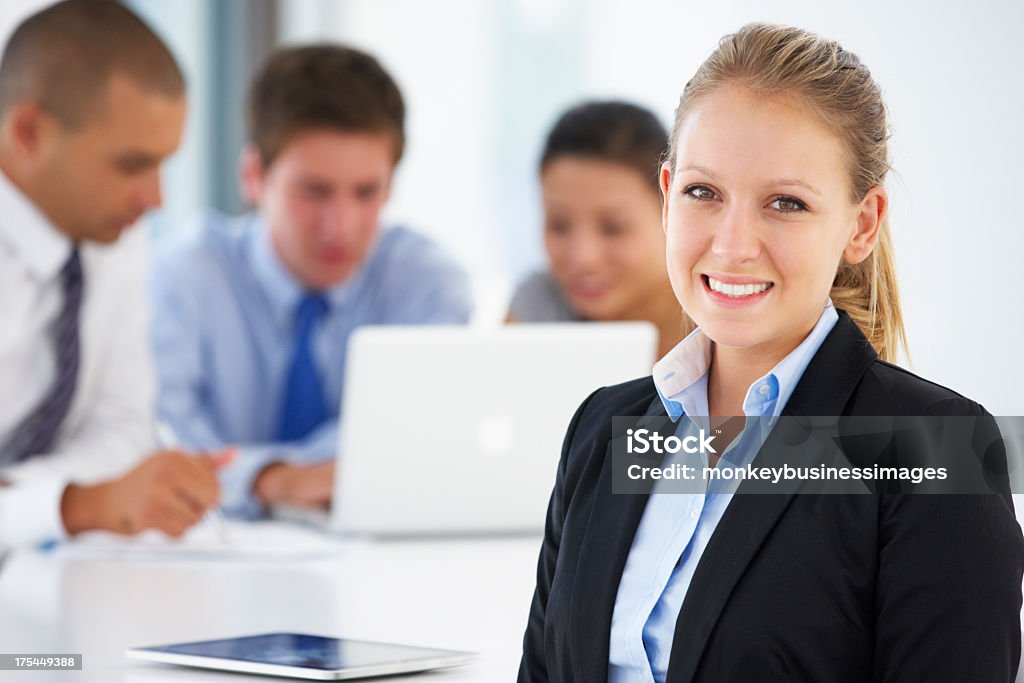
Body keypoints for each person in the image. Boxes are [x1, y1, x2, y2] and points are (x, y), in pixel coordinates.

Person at [519, 23, 1024, 683]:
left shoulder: (937, 454)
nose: (732, 244)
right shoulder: (602, 429)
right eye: (704, 192)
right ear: (667, 197)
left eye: (786, 203)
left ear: (862, 224)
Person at [150, 44, 474, 519]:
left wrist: (255, 475)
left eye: (367, 192)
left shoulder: (427, 282)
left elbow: (412, 439)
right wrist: (269, 480)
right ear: (253, 176)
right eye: (314, 192)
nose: (340, 226)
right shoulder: (185, 275)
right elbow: (159, 441)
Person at [0, 0, 231, 548]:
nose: (154, 199)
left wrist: (28, 501)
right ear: (29, 132)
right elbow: (98, 488)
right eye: (131, 164)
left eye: (162, 164)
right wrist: (77, 503)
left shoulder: (110, 231)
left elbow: (124, 428)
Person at [507, 101, 685, 358]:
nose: (584, 258)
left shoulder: (721, 317)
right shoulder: (538, 306)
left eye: (614, 228)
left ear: (671, 211)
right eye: (558, 225)